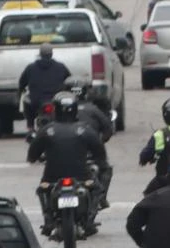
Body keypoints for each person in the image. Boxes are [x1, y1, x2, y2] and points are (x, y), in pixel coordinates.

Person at [27, 94, 111, 235]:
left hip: (52, 176)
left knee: (43, 189)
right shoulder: (84, 129)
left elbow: (32, 154)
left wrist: (35, 158)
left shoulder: (47, 130)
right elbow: (100, 151)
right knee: (96, 189)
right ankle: (89, 221)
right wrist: (100, 162)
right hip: (81, 175)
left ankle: (48, 221)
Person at [18, 44, 71, 135]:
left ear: (40, 54)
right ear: (51, 54)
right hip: (57, 100)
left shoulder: (31, 68)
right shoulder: (61, 67)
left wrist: (20, 92)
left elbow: (22, 83)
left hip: (36, 101)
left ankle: (30, 126)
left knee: (26, 99)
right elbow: (69, 80)